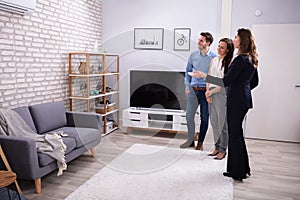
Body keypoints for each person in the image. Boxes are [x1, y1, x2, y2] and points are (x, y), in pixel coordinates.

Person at [193, 28, 259, 181]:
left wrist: (204, 76)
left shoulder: (240, 59)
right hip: (243, 100)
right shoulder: (251, 58)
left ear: (242, 41)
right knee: (237, 136)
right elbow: (254, 82)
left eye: (236, 37)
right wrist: (243, 89)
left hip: (236, 101)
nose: (234, 39)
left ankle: (237, 172)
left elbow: (225, 81)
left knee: (234, 136)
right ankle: (242, 169)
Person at [180, 32, 217, 150]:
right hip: (193, 91)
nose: (198, 42)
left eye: (201, 40)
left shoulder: (214, 58)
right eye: (199, 40)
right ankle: (190, 140)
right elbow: (187, 72)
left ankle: (200, 143)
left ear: (208, 43)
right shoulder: (193, 55)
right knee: (189, 116)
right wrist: (187, 86)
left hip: (206, 92)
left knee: (205, 118)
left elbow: (215, 76)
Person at [206, 38, 234, 160]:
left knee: (222, 124)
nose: (219, 49)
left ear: (228, 50)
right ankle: (216, 147)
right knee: (214, 123)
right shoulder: (213, 60)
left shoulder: (229, 63)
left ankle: (223, 149)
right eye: (218, 46)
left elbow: (224, 82)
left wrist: (212, 91)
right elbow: (209, 77)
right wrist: (208, 92)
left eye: (222, 47)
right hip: (211, 93)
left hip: (221, 93)